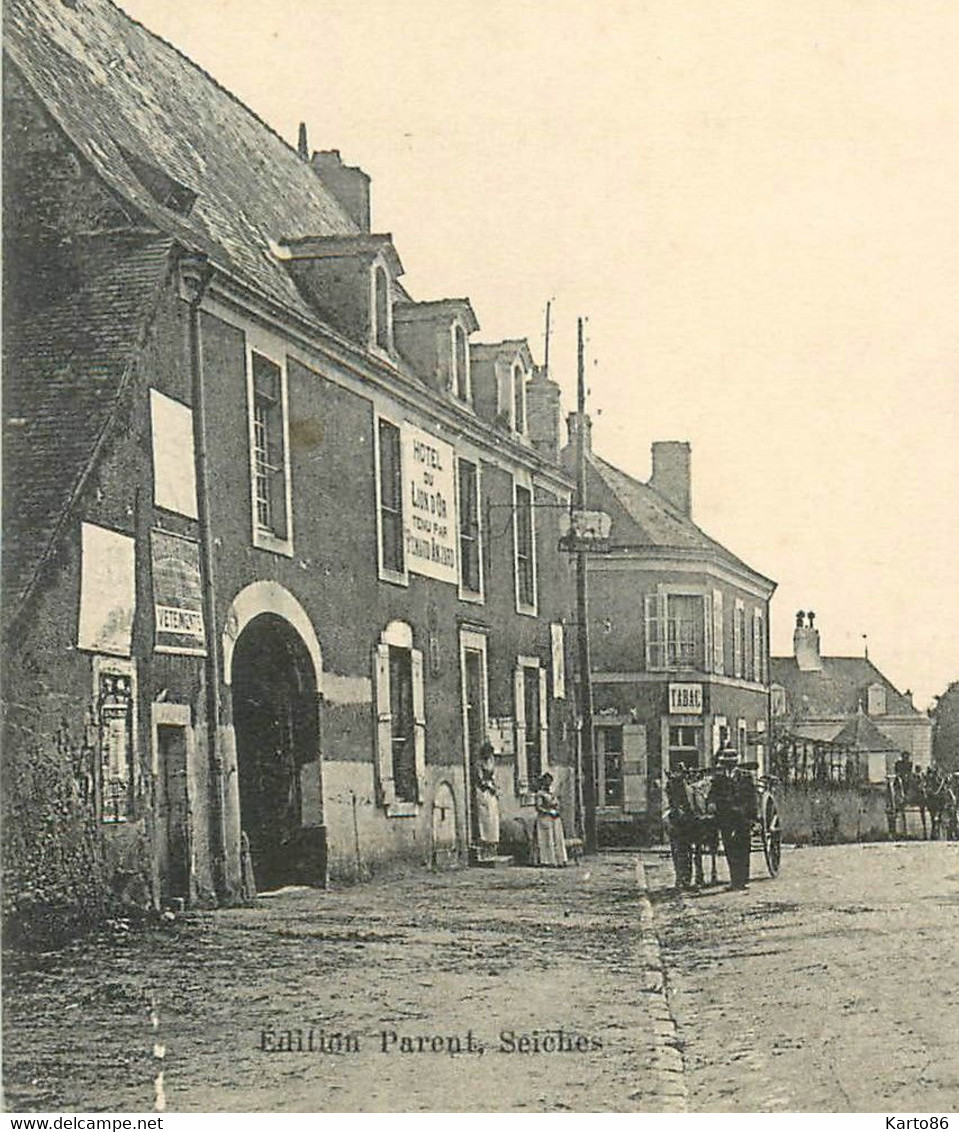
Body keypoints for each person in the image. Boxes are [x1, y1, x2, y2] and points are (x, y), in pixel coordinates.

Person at [707, 744, 756, 890]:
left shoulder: (746, 776)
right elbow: (712, 794)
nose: (728, 766)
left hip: (742, 818)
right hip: (725, 817)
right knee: (729, 848)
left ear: (735, 763)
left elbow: (752, 798)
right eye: (725, 763)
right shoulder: (719, 778)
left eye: (731, 763)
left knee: (743, 848)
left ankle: (744, 880)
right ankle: (735, 881)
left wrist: (751, 818)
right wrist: (711, 803)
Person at [664, 766, 695, 890]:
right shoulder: (671, 786)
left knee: (684, 851)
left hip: (685, 822)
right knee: (678, 851)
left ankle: (684, 878)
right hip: (675, 821)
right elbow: (669, 804)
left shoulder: (685, 787)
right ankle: (681, 877)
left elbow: (689, 804)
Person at [533, 772, 568, 867]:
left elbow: (557, 803)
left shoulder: (552, 793)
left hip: (555, 818)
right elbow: (538, 807)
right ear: (543, 782)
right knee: (547, 839)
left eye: (550, 781)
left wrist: (557, 809)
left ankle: (559, 859)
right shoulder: (540, 794)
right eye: (546, 781)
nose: (548, 783)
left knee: (557, 839)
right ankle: (547, 860)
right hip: (544, 819)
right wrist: (548, 811)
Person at [474, 742, 500, 860]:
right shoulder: (479, 764)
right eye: (487, 753)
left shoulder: (491, 761)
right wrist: (487, 785)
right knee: (484, 818)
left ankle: (492, 846)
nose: (489, 755)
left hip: (491, 791)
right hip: (482, 791)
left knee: (493, 817)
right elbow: (479, 780)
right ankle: (483, 846)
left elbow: (493, 777)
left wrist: (494, 787)